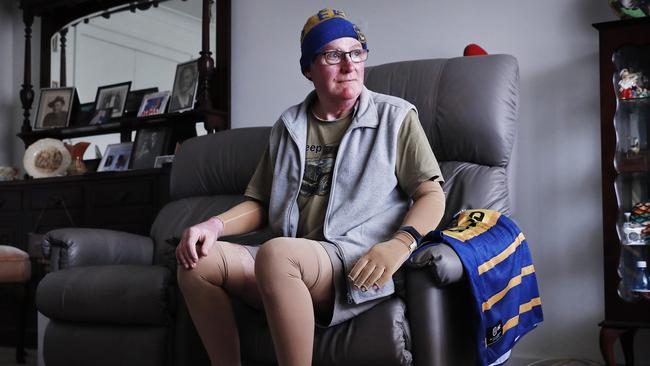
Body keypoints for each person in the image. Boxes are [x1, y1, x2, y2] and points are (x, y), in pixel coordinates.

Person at [176, 8, 446, 366]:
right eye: (333, 55)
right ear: (308, 69)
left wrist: (400, 244)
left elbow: (431, 194)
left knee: (277, 254)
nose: (349, 65)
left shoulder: (395, 117)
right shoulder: (289, 125)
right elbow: (259, 202)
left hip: (354, 261)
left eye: (356, 52)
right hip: (290, 260)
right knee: (197, 260)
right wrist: (212, 226)